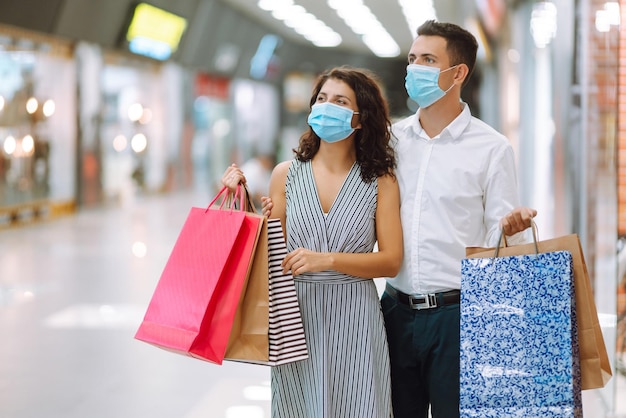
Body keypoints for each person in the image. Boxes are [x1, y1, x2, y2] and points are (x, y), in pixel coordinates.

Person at [222, 66, 403, 418]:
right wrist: (243, 204)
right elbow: (271, 256)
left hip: (356, 318)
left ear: (360, 118)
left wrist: (329, 260)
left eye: (339, 101)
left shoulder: (381, 180)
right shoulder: (285, 174)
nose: (326, 106)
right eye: (321, 98)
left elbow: (391, 260)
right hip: (294, 318)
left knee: (360, 404)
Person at [380, 20, 537, 418]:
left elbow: (498, 239)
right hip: (394, 312)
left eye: (428, 60)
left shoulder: (492, 148)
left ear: (458, 73)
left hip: (458, 317)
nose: (415, 68)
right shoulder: (391, 142)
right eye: (413, 59)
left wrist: (510, 229)